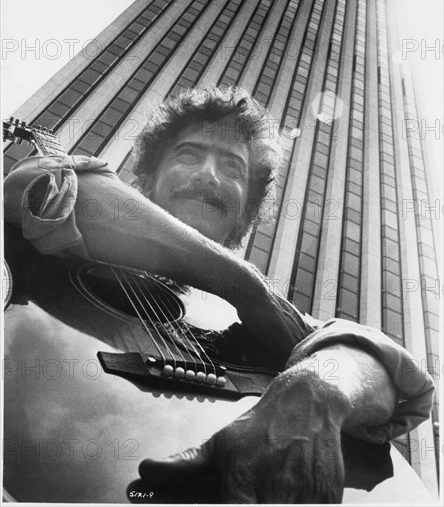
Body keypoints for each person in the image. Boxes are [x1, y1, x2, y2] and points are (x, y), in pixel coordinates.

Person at [4, 86, 434, 503]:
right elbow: (48, 183)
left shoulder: (271, 318)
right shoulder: (52, 239)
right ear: (146, 181)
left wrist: (318, 386)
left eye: (232, 168)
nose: (208, 175)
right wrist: (243, 284)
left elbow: (383, 368)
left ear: (245, 213)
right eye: (189, 154)